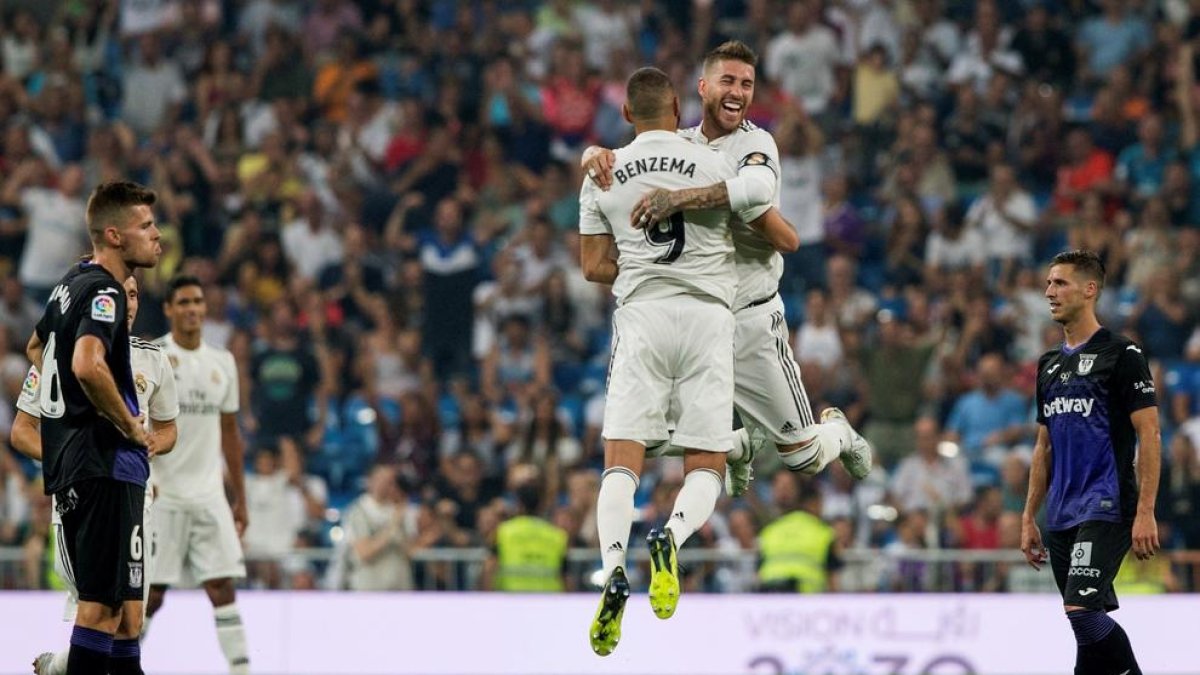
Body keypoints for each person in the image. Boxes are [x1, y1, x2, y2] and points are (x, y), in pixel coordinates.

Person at [582, 41, 871, 498]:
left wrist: (678, 199)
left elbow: (757, 191)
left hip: (752, 318)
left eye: (747, 84)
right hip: (695, 316)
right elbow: (633, 159)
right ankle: (738, 445)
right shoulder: (685, 147)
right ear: (703, 88)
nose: (737, 92)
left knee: (803, 455)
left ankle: (839, 432)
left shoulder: (756, 142)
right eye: (728, 81)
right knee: (646, 438)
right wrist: (595, 154)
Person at [577, 66, 761, 656]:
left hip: (644, 316)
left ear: (627, 115)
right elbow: (758, 225)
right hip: (708, 317)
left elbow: (591, 267)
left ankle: (611, 572)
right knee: (705, 463)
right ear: (679, 108)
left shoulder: (601, 173)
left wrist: (639, 264)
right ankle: (670, 539)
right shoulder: (714, 164)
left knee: (620, 462)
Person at [22, 180, 161, 675]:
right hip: (106, 463)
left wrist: (63, 423)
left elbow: (37, 350)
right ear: (115, 235)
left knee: (125, 615)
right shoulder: (105, 290)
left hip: (78, 463)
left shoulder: (70, 283)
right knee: (101, 611)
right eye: (145, 226)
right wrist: (129, 425)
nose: (157, 236)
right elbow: (85, 364)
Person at [11, 275, 178, 675]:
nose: (130, 303)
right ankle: (58, 667)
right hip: (82, 495)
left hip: (135, 498)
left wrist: (153, 440)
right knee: (103, 614)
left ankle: (58, 666)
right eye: (123, 294)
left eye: (135, 295)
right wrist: (66, 458)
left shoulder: (152, 358)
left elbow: (169, 428)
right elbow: (21, 430)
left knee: (130, 623)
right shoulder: (64, 355)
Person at [1021, 250, 1161, 675]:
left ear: (1090, 289)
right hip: (1061, 512)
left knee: (1081, 611)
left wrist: (1146, 512)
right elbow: (1043, 446)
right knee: (1082, 621)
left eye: (1060, 283)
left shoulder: (1123, 353)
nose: (1049, 292)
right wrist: (1029, 516)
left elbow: (1150, 433)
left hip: (1107, 503)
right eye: (1048, 283)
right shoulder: (1048, 365)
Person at [145, 275, 250, 674]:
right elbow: (135, 423)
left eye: (198, 301)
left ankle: (241, 669)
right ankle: (122, 664)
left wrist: (239, 497)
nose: (192, 309)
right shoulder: (152, 356)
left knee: (223, 587)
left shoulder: (222, 363)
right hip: (163, 494)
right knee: (151, 594)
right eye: (184, 302)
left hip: (209, 495)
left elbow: (230, 434)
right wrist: (145, 476)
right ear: (170, 309)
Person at [485, 481, 568, 592]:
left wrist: (486, 597)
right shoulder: (557, 535)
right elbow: (566, 576)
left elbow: (490, 568)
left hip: (511, 597)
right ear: (541, 506)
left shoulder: (503, 531)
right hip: (548, 598)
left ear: (519, 504)